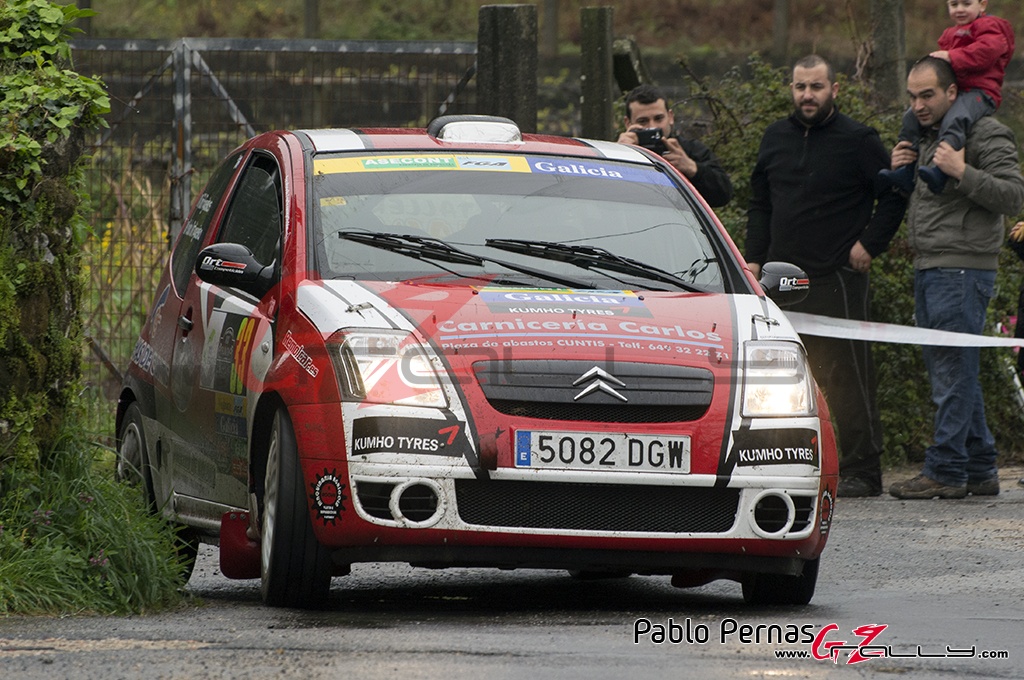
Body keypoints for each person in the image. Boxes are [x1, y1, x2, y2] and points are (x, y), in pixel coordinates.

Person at [745, 55, 907, 498]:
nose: (807, 95)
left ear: (834, 89)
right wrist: (753, 259)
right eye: (800, 87)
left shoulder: (859, 140)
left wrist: (869, 245)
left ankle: (862, 470)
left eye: (816, 87)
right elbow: (760, 203)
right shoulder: (774, 137)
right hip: (781, 281)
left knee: (847, 377)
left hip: (837, 277)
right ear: (791, 89)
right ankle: (783, 462)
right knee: (780, 376)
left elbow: (894, 194)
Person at [887, 57, 1024, 499]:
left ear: (952, 94)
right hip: (933, 264)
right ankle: (981, 465)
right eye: (912, 96)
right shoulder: (928, 135)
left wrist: (962, 171)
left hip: (962, 268)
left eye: (927, 95)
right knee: (956, 367)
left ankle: (946, 469)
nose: (918, 105)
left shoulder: (985, 132)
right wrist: (904, 165)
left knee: (951, 371)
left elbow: (1013, 194)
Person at [879, 0, 1014, 195]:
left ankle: (941, 170)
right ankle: (905, 169)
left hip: (981, 92)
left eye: (966, 3)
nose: (959, 9)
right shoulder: (950, 33)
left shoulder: (989, 27)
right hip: (958, 91)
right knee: (910, 116)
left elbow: (988, 52)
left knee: (956, 117)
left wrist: (952, 57)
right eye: (953, 4)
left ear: (982, 5)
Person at [616, 84, 733, 207]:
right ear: (628, 123)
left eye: (659, 118)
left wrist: (693, 169)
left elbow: (724, 195)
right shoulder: (619, 152)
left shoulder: (690, 150)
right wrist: (617, 156)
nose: (652, 127)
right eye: (643, 121)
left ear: (670, 117)